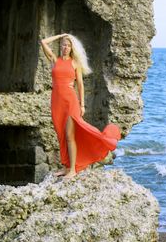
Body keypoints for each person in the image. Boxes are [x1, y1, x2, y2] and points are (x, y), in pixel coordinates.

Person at [41, 33, 121, 179]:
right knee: (61, 135)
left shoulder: (75, 63)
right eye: (64, 45)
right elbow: (43, 42)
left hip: (71, 102)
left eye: (68, 45)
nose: (65, 47)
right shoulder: (54, 60)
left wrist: (82, 105)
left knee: (70, 136)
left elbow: (80, 85)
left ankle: (72, 169)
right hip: (56, 102)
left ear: (72, 48)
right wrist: (60, 36)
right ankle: (66, 167)